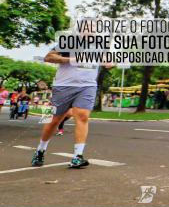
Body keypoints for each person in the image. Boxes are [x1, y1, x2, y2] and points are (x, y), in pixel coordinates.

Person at [31, 21, 112, 169]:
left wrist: (110, 63)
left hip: (87, 85)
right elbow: (48, 57)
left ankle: (77, 157)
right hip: (63, 86)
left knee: (82, 115)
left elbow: (107, 60)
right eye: (88, 27)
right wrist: (70, 60)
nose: (91, 29)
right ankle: (40, 150)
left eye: (94, 27)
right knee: (53, 120)